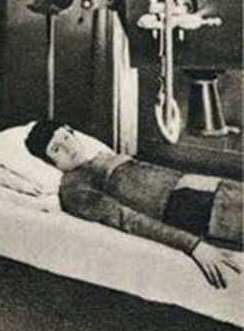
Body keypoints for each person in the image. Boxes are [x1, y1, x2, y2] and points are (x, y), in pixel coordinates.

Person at [26, 119, 243, 289]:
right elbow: (128, 219)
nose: (68, 146)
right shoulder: (73, 187)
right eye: (56, 149)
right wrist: (194, 245)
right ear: (49, 163)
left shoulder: (101, 157)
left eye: (66, 136)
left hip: (215, 190)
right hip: (197, 210)